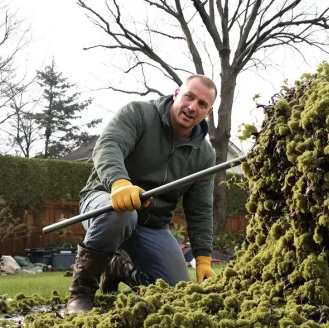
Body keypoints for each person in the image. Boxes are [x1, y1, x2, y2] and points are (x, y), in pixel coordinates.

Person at [67, 75, 219, 314]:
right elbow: (108, 145)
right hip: (105, 202)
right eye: (190, 96)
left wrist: (203, 258)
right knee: (121, 214)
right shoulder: (139, 113)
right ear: (177, 93)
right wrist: (119, 183)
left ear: (208, 112)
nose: (192, 107)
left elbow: (200, 208)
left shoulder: (205, 156)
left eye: (202, 104)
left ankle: (120, 268)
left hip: (153, 225)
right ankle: (82, 292)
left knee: (176, 292)